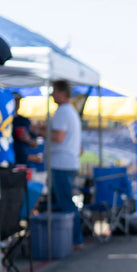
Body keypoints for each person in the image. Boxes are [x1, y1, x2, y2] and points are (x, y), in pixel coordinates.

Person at [49, 80, 84, 249]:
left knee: (65, 203)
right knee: (65, 202)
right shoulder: (71, 111)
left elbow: (59, 137)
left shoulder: (63, 111)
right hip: (68, 162)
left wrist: (41, 131)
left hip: (62, 162)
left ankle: (74, 240)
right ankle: (73, 239)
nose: (51, 94)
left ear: (62, 93)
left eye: (54, 91)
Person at [12, 93, 42, 167]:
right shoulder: (3, 120)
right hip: (6, 160)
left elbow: (34, 144)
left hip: (22, 160)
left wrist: (28, 139)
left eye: (18, 101)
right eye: (15, 101)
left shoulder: (24, 121)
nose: (17, 104)